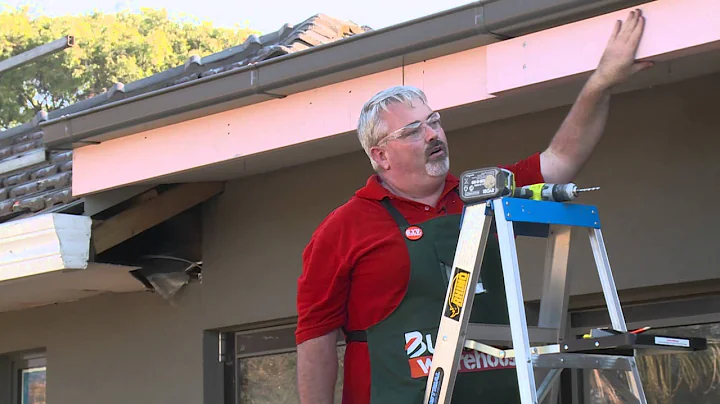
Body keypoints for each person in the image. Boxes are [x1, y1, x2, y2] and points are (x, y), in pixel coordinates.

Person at [295, 9, 652, 404]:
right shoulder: (343, 228)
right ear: (381, 156)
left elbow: (560, 161)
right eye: (414, 131)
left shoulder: (485, 196)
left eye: (434, 121)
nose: (433, 134)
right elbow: (316, 338)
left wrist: (600, 83)